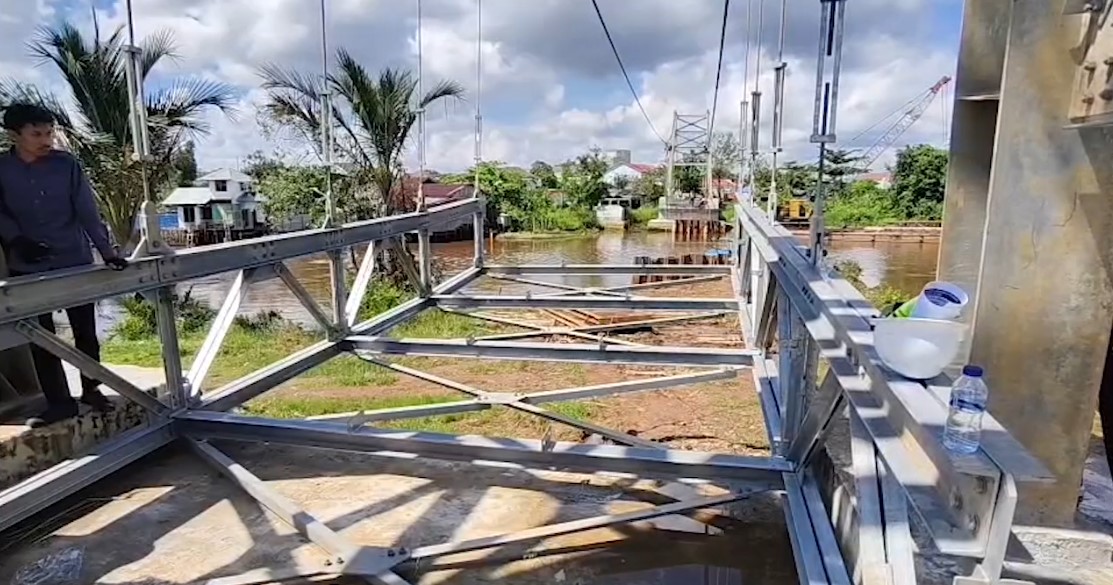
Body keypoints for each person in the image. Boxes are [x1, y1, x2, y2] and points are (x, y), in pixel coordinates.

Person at [0, 103, 129, 427]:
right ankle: (59, 402)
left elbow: (86, 209)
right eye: (37, 134)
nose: (46, 140)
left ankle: (91, 389)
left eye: (50, 132)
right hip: (27, 264)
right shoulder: (1, 169)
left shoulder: (66, 165)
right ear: (15, 135)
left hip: (73, 260)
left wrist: (108, 252)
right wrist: (15, 240)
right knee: (39, 336)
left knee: (85, 332)